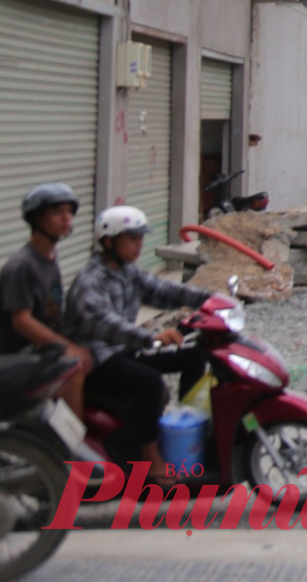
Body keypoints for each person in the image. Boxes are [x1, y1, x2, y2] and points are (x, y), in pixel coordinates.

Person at [66, 206, 218, 480]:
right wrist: (151, 338)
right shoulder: (90, 281)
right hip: (98, 361)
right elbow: (106, 324)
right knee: (149, 382)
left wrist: (209, 300)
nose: (139, 244)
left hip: (123, 352)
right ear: (109, 241)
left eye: (141, 238)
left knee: (193, 357)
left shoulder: (127, 271)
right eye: (132, 238)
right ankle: (151, 456)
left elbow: (163, 290)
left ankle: (185, 431)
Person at [1, 184, 90, 416]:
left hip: (33, 350)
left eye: (70, 211)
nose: (66, 218)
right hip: (12, 355)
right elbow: (21, 321)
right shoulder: (22, 265)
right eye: (57, 212)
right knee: (73, 367)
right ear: (37, 218)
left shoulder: (48, 257)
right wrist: (65, 346)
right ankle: (72, 442)